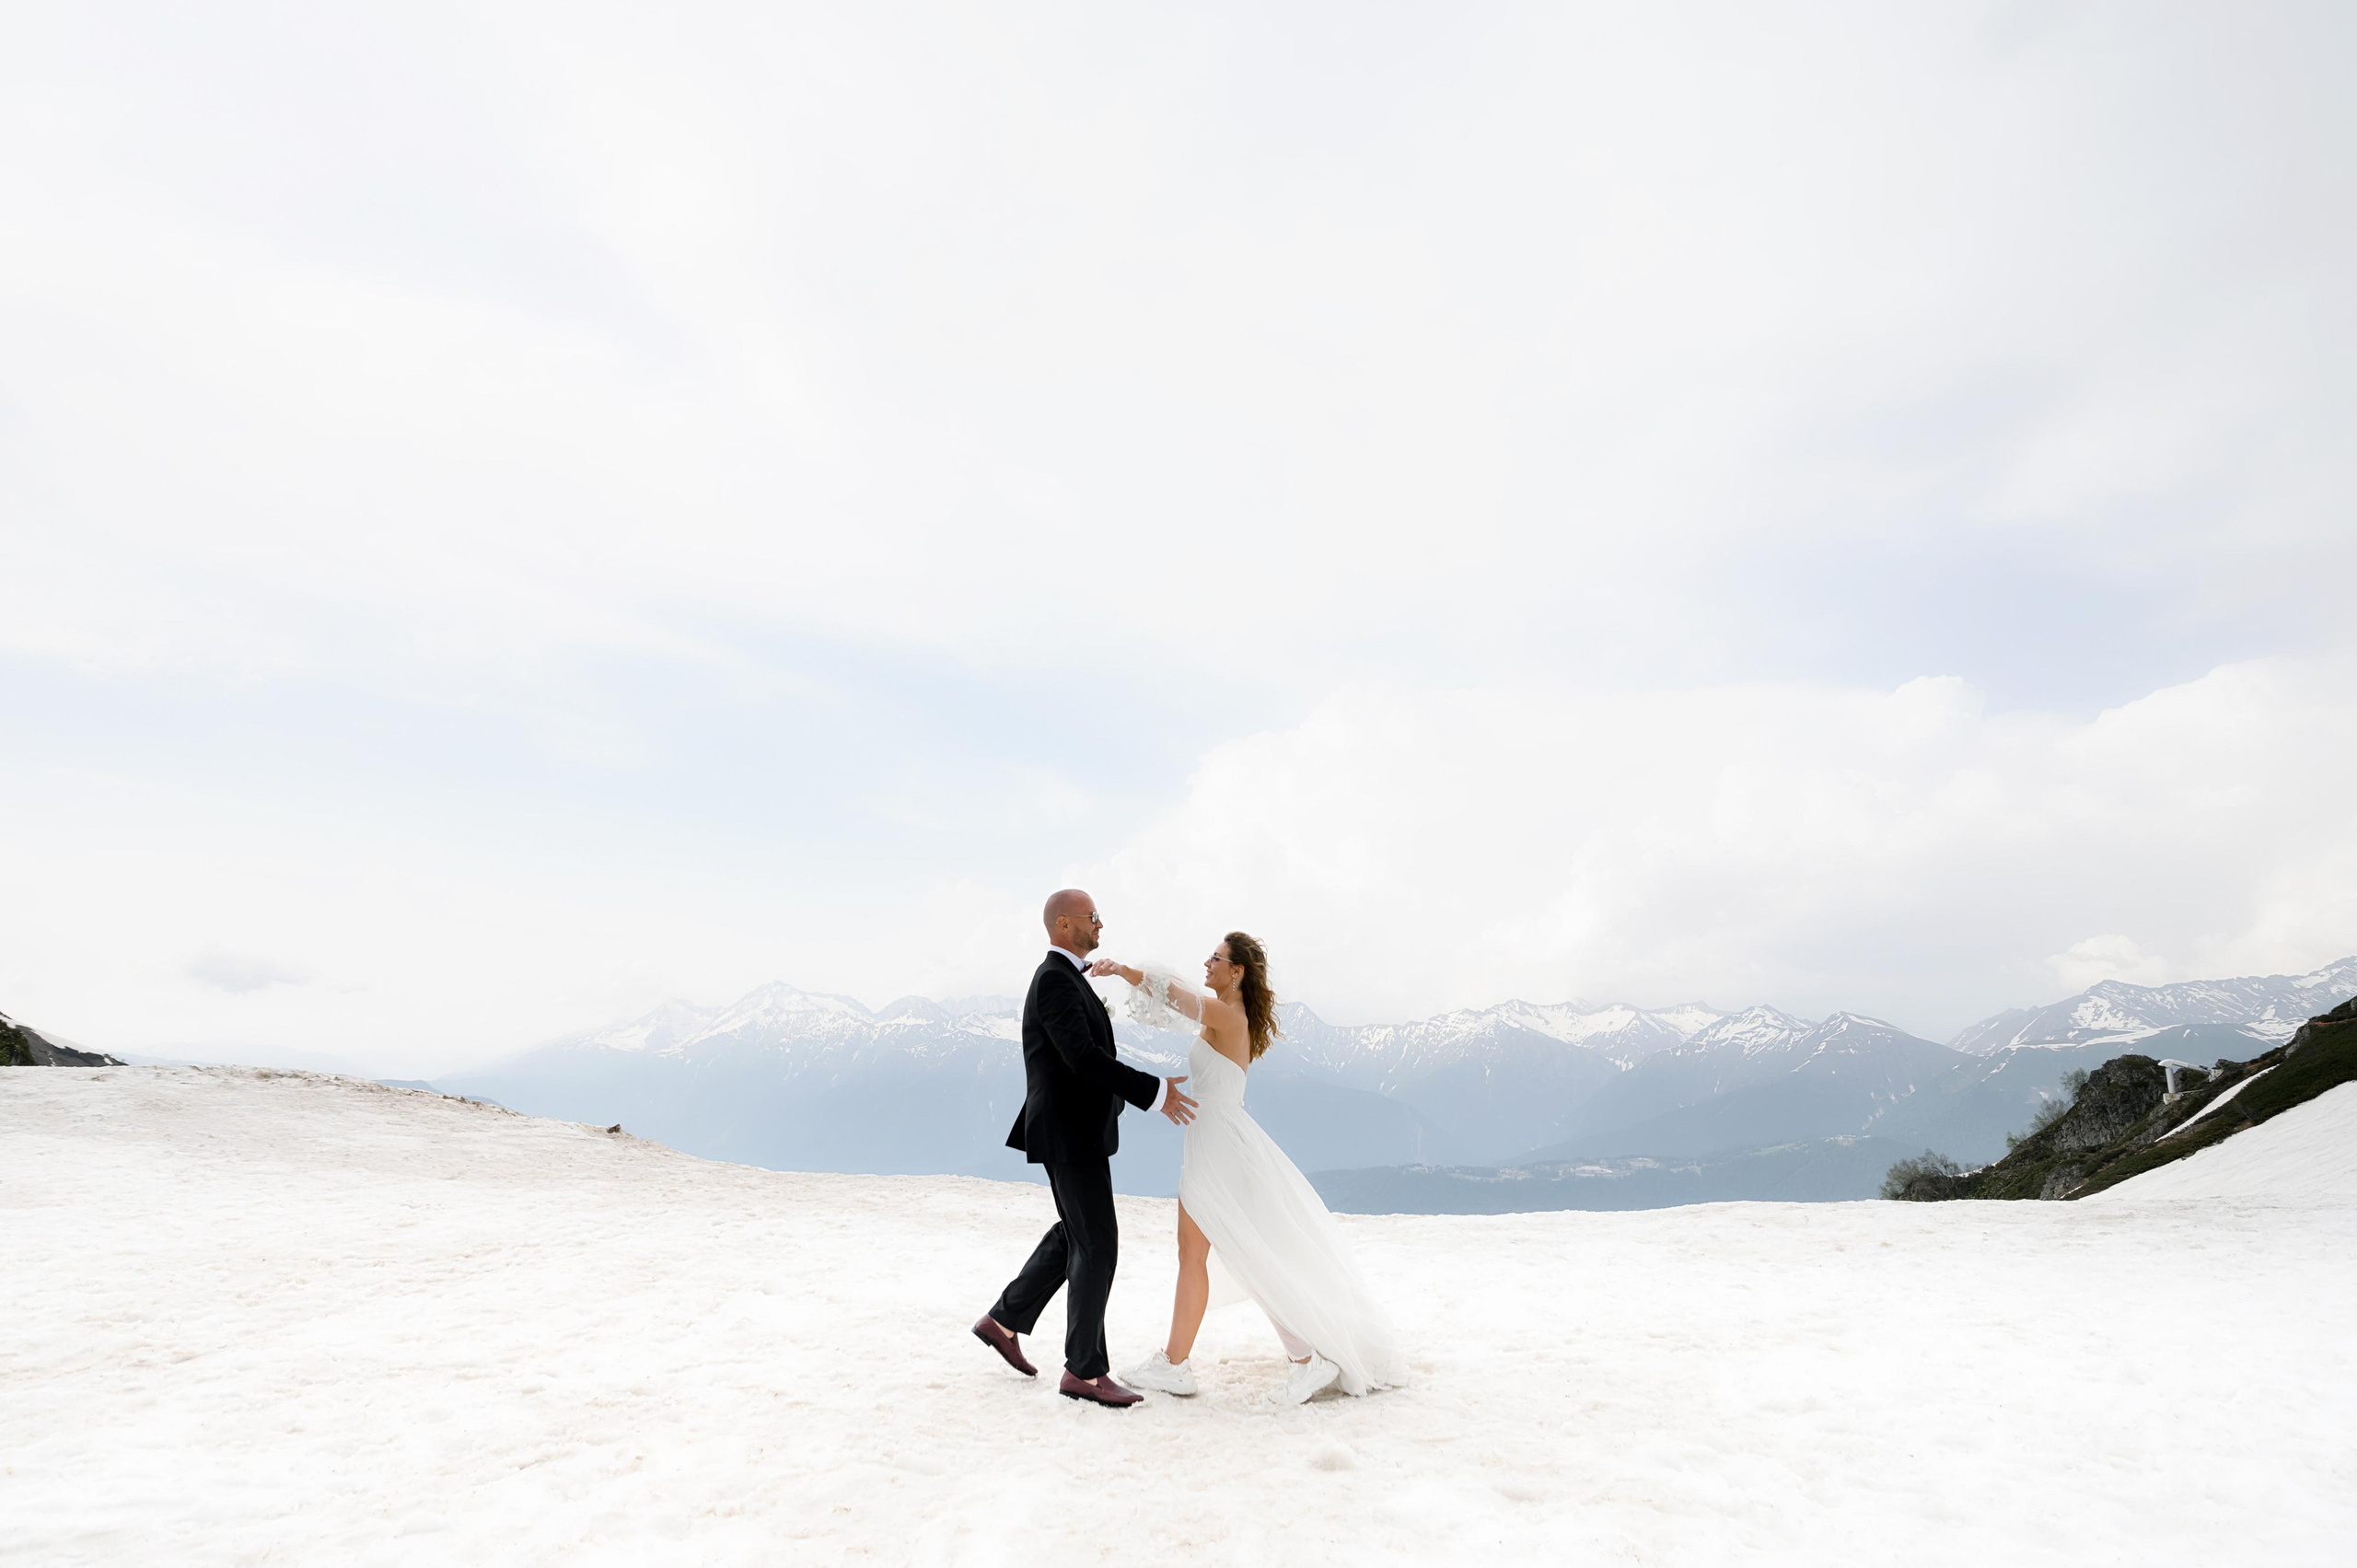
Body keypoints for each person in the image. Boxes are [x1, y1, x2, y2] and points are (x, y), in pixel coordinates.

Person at [1095, 933, 1406, 1404]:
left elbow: (1174, 996)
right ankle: (1176, 1365)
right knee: (1192, 1252)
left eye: (1216, 958)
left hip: (1220, 1145)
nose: (1207, 962)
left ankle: (1304, 1359)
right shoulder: (1224, 1013)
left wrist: (1122, 970)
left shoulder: (1227, 1015)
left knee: (1247, 1251)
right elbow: (1180, 996)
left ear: (1236, 971)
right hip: (1210, 1139)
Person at [972, 889, 1198, 1408]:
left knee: (1078, 1232)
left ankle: (1004, 1320)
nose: (1100, 924)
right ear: (1064, 924)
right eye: (1093, 917)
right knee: (1097, 1241)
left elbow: (1082, 1056)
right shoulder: (1055, 979)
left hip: (1072, 1130)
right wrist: (1153, 1092)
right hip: (1069, 1133)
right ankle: (1084, 1372)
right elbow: (1082, 1058)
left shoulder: (1067, 977)